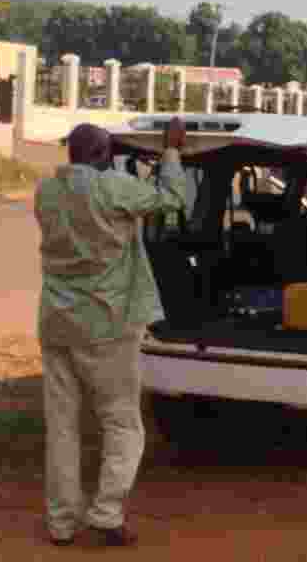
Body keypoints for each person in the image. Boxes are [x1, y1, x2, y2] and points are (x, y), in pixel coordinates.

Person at [35, 123, 183, 547]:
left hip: (57, 322)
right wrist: (171, 153)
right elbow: (173, 198)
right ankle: (106, 511)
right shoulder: (114, 188)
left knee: (62, 426)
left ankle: (61, 523)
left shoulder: (45, 193)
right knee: (121, 422)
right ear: (104, 154)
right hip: (107, 324)